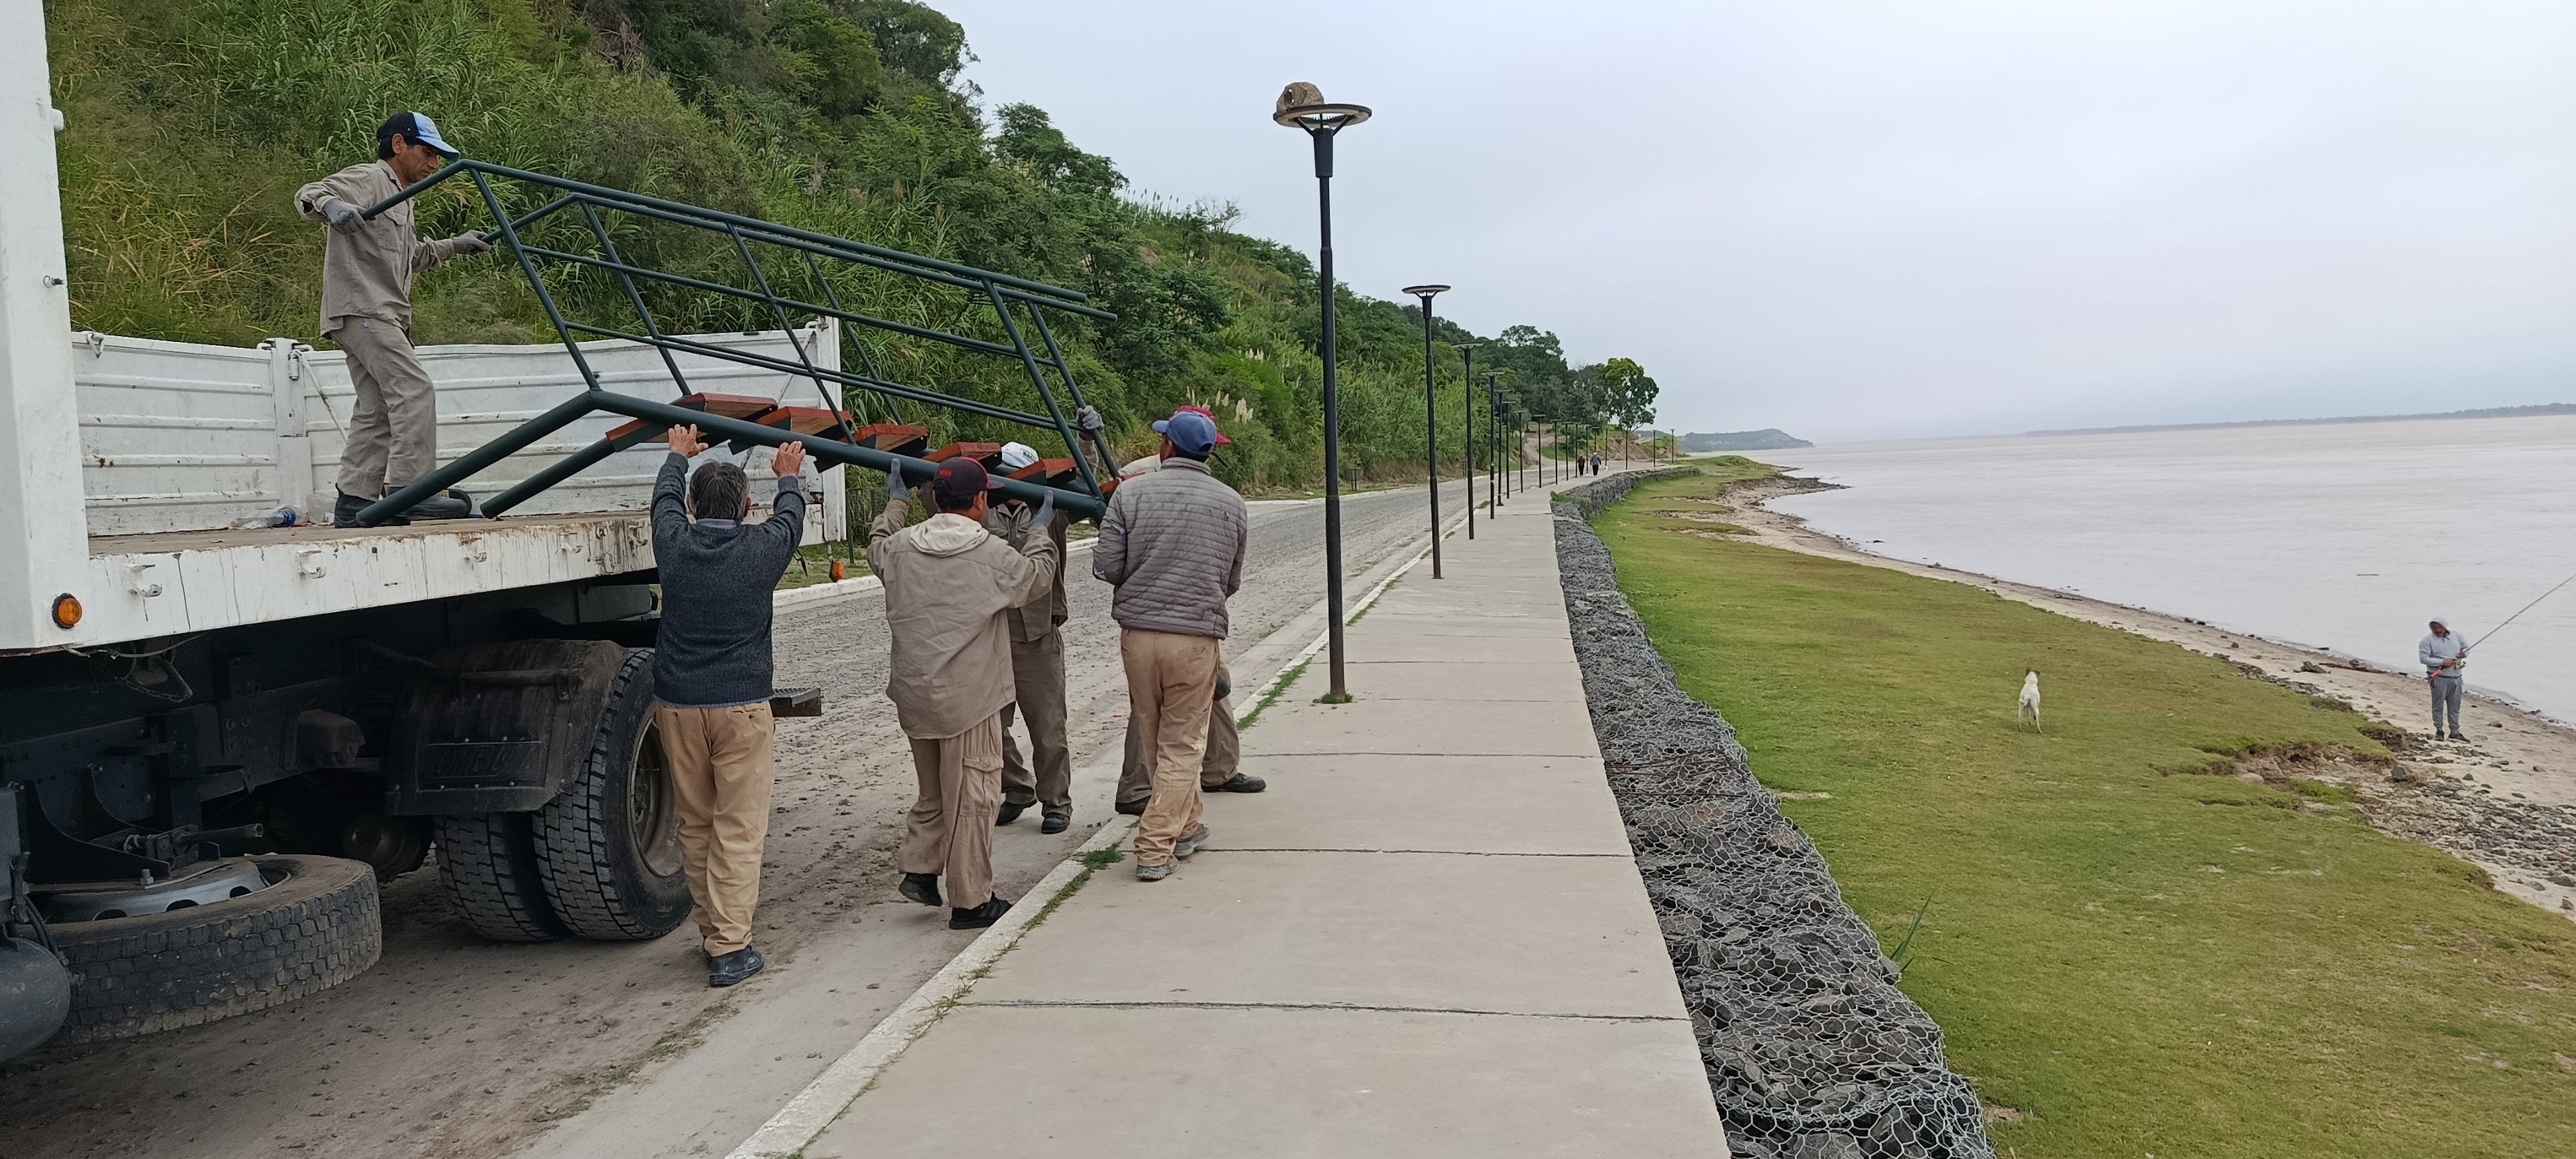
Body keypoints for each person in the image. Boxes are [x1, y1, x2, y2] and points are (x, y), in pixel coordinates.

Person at [870, 459, 1060, 929]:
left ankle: (919, 869)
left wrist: (895, 502)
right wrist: (1040, 529)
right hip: (970, 699)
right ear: (980, 502)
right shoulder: (992, 554)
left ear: (934, 497)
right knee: (974, 797)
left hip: (915, 695)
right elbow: (1037, 579)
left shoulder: (899, 547)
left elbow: (875, 545)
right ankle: (972, 901)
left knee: (934, 789)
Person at [651, 425, 809, 987]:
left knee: (695, 824)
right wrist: (788, 472)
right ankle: (730, 946)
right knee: (738, 828)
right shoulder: (762, 549)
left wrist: (675, 456)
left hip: (678, 705)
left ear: (693, 506)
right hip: (741, 706)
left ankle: (712, 929)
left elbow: (663, 499)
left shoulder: (673, 542)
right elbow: (791, 516)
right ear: (746, 508)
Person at [293, 111, 496, 525]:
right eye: (427, 152)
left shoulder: (403, 197)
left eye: (438, 156)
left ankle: (354, 501)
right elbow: (310, 193)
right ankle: (410, 489)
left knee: (377, 408)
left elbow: (410, 255)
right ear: (399, 145)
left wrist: (456, 245)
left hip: (373, 312)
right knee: (413, 388)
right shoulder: (371, 178)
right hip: (365, 308)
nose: (435, 164)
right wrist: (331, 206)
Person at [1081, 406, 1266, 816]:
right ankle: (1167, 825)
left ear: (1168, 443)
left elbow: (1109, 564)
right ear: (1207, 450)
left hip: (1143, 626)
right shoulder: (1231, 501)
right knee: (1184, 729)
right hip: (1197, 627)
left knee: (1155, 711)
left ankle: (1180, 788)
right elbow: (1231, 579)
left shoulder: (1133, 488)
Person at [987, 442, 1075, 835]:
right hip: (991, 634)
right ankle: (1017, 789)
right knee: (989, 727)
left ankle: (1056, 803)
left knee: (1048, 728)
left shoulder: (1049, 512)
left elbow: (1083, 488)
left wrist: (1086, 444)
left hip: (1039, 635)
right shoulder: (980, 511)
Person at [2420, 615, 2469, 740]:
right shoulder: (2426, 641)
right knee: (2438, 705)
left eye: (2439, 627)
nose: (2437, 630)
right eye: (2434, 628)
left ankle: (2455, 731)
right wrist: (2442, 662)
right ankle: (2439, 731)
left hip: (2456, 677)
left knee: (2455, 706)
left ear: (2445, 626)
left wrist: (2464, 654)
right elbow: (2423, 659)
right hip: (2438, 678)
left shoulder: (2456, 635)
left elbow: (2466, 648)